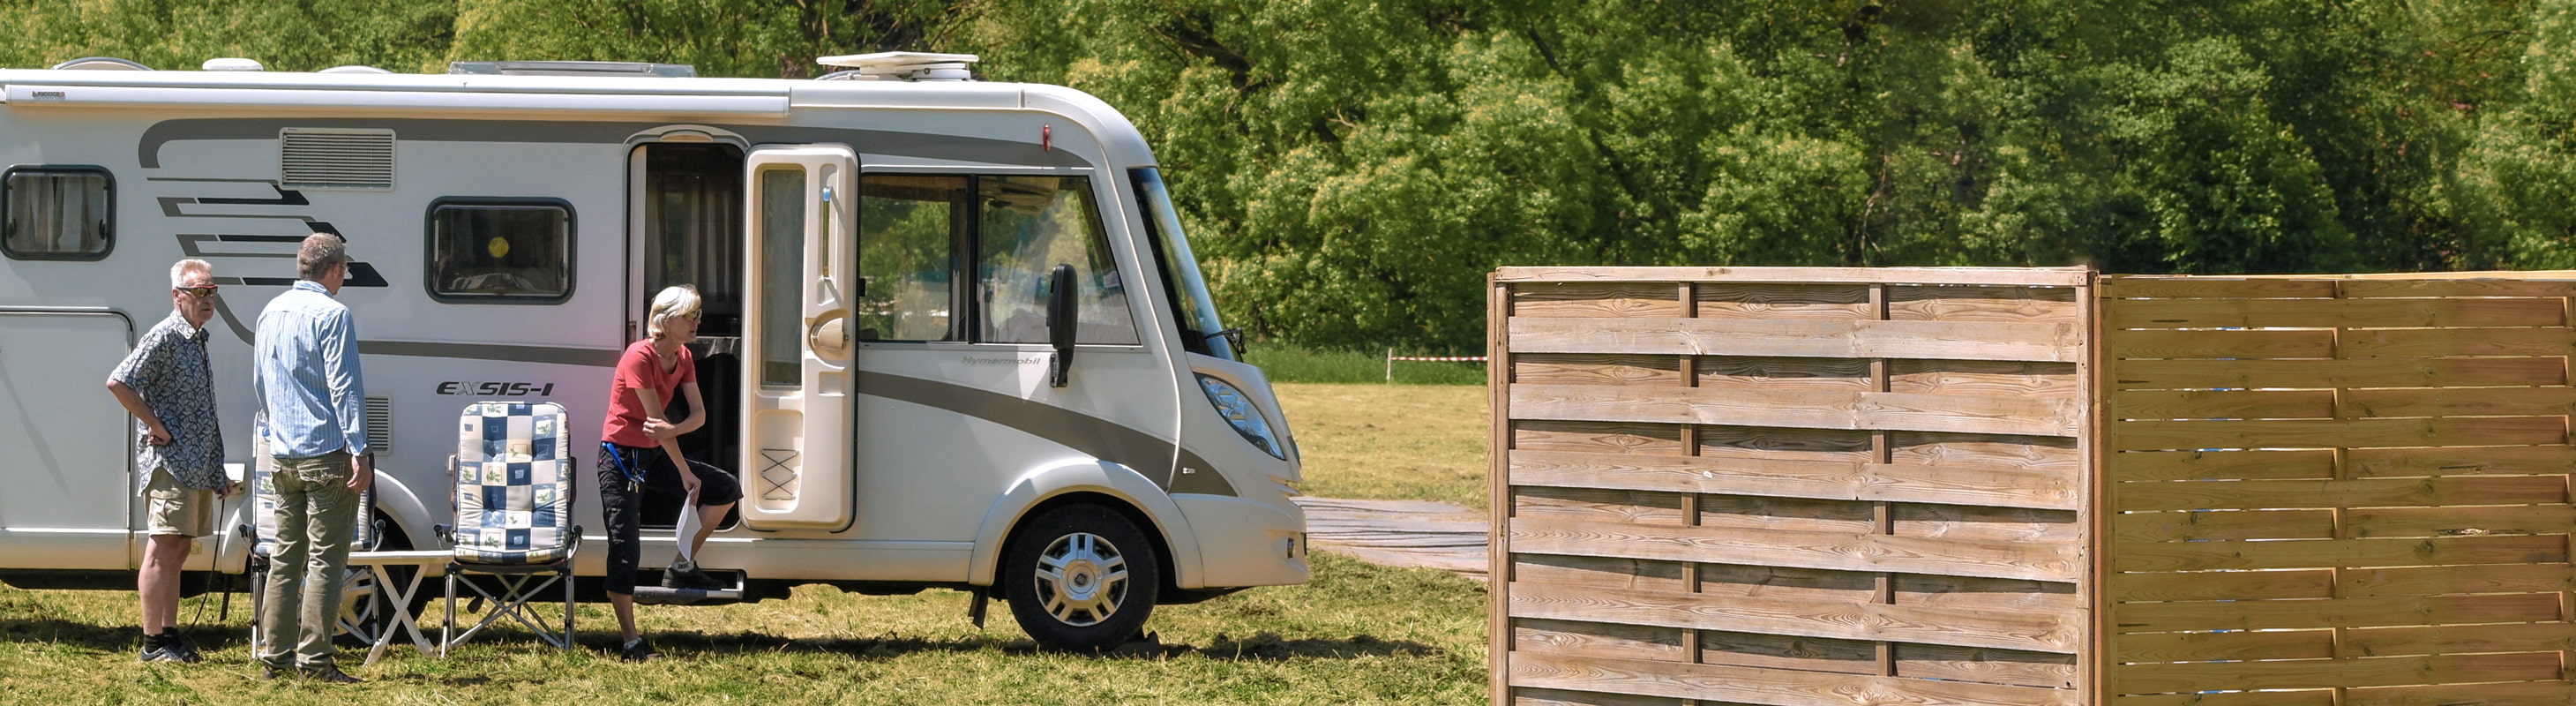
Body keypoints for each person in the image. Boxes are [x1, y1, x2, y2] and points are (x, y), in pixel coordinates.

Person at [250, 233, 373, 683]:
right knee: (326, 559)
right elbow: (345, 387)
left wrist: (275, 428)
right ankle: (315, 661)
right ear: (336, 269)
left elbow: (261, 384)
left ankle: (274, 658)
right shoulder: (334, 314)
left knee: (285, 557)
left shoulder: (270, 311)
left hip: (282, 454)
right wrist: (359, 447)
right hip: (325, 452)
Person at [596, 284, 742, 662]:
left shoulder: (684, 357)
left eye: (698, 315)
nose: (697, 322)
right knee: (625, 546)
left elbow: (697, 417)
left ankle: (681, 565)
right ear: (665, 320)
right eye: (690, 316)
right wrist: (680, 465)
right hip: (621, 457)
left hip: (656, 450)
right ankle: (631, 642)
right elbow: (654, 421)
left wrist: (676, 447)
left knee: (725, 488)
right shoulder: (638, 356)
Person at [104, 259, 234, 664]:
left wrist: (216, 470)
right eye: (198, 291)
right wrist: (154, 423)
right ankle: (152, 643)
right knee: (161, 550)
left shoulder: (197, 337)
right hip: (170, 463)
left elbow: (204, 411)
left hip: (195, 464)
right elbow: (119, 381)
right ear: (177, 296)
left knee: (179, 551)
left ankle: (170, 634)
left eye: (211, 291)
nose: (207, 298)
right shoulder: (164, 336)